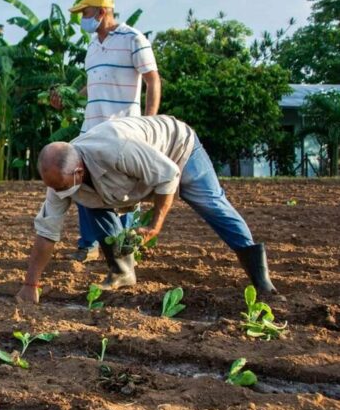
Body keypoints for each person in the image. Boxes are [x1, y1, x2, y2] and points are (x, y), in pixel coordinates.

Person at [15, 115, 279, 304]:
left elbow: (168, 174)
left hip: (177, 149)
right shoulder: (62, 179)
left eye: (64, 187)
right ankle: (122, 271)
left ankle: (259, 276)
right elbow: (47, 232)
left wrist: (155, 225)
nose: (61, 195)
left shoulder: (117, 150)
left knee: (211, 204)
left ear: (79, 170)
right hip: (133, 178)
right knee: (89, 204)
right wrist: (30, 284)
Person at [53, 0, 161, 264]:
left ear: (102, 12)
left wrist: (148, 123)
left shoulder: (133, 39)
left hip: (123, 130)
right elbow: (92, 85)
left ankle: (126, 245)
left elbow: (152, 80)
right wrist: (67, 99)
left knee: (124, 190)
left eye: (86, 13)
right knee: (81, 185)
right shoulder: (92, 47)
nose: (82, 20)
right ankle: (89, 243)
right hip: (91, 130)